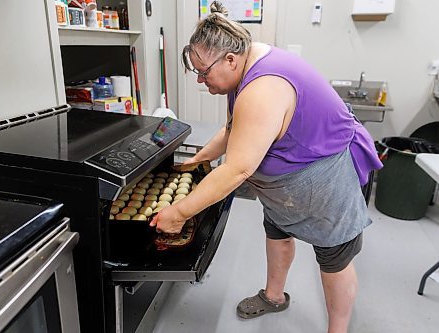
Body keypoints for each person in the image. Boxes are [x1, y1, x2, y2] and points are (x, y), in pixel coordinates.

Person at [149, 2, 383, 332]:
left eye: (204, 72)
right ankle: (274, 296)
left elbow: (236, 170)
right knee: (276, 232)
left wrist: (179, 213)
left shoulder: (263, 86)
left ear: (229, 59)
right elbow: (233, 129)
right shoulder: (244, 65)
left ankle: (338, 329)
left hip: (323, 177)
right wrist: (198, 160)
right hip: (283, 187)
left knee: (334, 258)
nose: (201, 81)